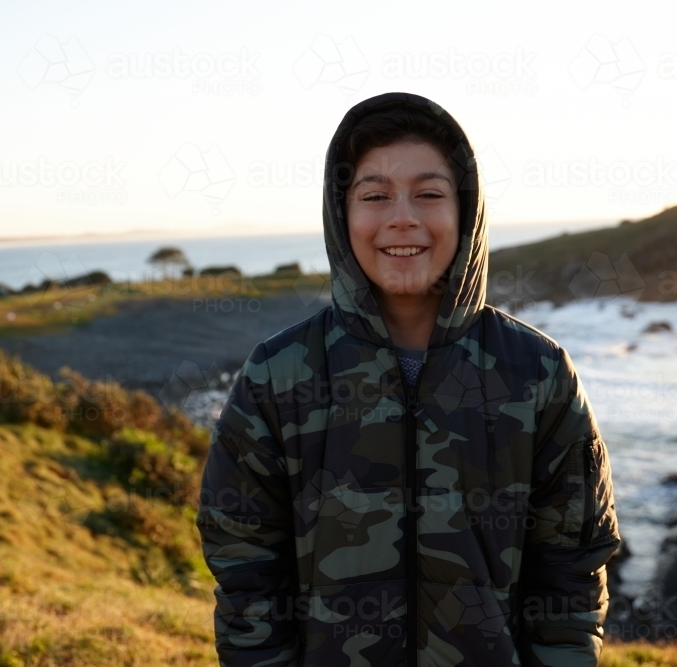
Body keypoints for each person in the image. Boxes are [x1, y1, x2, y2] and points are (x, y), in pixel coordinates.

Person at [197, 92, 620, 666]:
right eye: (375, 195)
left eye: (429, 194)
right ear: (341, 214)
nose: (403, 217)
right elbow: (246, 572)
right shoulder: (277, 376)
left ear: (465, 212)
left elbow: (571, 576)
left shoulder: (538, 373)